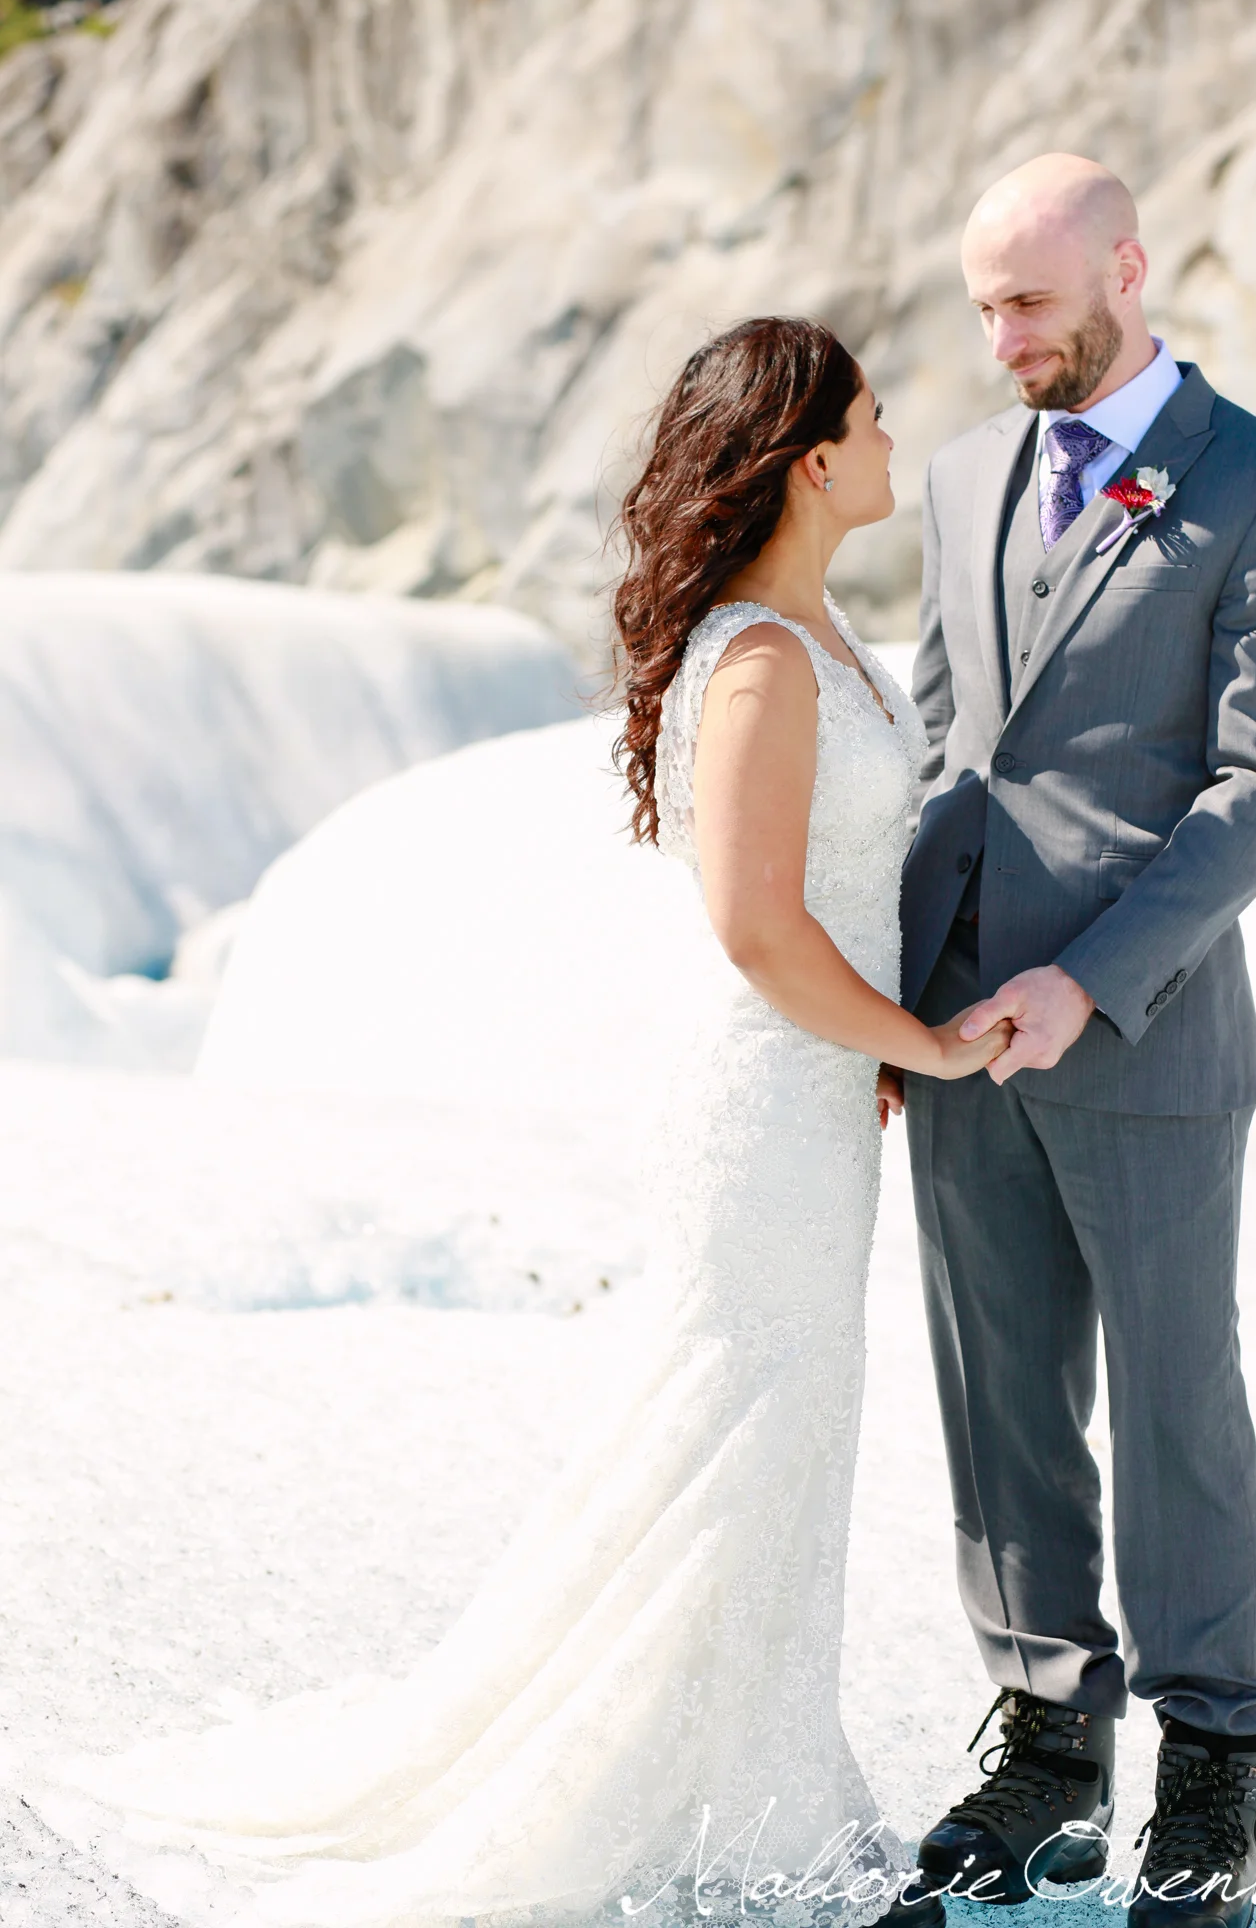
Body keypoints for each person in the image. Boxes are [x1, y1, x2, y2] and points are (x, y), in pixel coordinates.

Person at [40, 317, 1005, 1928]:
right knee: (740, 1431)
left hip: (817, 1096)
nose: (901, 443)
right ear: (814, 458)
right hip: (768, 1103)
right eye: (878, 420)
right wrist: (925, 1044)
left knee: (781, 1433)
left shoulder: (811, 632)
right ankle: (711, 1802)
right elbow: (757, 926)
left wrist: (885, 1047)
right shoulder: (764, 662)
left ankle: (751, 1775)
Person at [893, 153, 1256, 1927]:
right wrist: (901, 1009)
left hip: (1143, 1026)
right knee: (1001, 1403)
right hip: (959, 1030)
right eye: (982, 307)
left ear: (1128, 271)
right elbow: (944, 755)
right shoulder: (956, 478)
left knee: (1172, 1406)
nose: (1001, 341)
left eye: (1030, 306)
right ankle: (1047, 1744)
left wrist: (1096, 974)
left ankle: (1213, 1766)